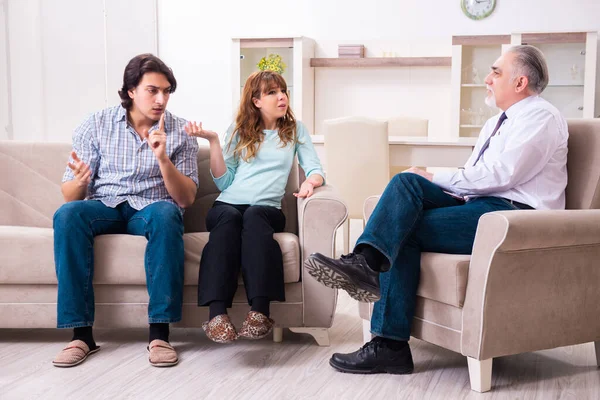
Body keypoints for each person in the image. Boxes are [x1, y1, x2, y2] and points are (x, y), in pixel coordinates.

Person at [305, 45, 568, 374]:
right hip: (483, 206)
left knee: (400, 229)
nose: (487, 79)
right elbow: (475, 180)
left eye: (496, 72)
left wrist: (434, 175)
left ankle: (389, 341)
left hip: (511, 217)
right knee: (405, 183)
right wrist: (424, 178)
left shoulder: (540, 116)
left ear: (520, 82)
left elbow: (501, 175)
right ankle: (366, 264)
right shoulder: (496, 124)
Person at [52, 54, 199, 368]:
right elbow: (69, 196)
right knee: (67, 216)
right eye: (152, 90)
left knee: (167, 214)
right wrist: (80, 181)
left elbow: (185, 199)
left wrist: (163, 160)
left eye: (166, 91)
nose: (161, 99)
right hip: (104, 204)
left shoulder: (180, 132)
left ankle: (159, 334)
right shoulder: (96, 124)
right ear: (131, 90)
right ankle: (81, 336)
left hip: (150, 208)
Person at [185, 70, 325, 343]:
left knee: (254, 215)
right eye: (272, 92)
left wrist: (311, 183)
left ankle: (260, 311)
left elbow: (315, 168)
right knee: (227, 221)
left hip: (266, 209)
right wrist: (214, 141)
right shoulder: (239, 132)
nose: (281, 96)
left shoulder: (295, 131)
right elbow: (225, 182)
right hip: (228, 203)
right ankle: (216, 315)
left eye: (282, 91)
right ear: (256, 101)